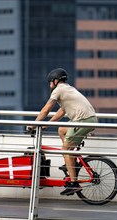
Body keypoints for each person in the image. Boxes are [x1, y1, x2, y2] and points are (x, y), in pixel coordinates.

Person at [27, 68, 97, 196]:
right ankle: (70, 162)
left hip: (83, 121)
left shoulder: (59, 90)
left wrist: (33, 124)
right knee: (62, 130)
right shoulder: (68, 89)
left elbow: (46, 109)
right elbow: (61, 112)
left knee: (65, 149)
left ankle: (74, 184)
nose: (49, 85)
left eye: (50, 82)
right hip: (87, 120)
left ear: (55, 81)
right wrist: (47, 125)